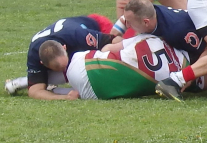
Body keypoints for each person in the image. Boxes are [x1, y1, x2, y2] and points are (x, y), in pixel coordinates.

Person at [41, 34, 192, 100]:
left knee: (83, 67)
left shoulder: (149, 38)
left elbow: (108, 48)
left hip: (83, 65)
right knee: (81, 91)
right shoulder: (184, 68)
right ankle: (57, 90)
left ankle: (49, 87)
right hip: (97, 93)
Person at [3, 15, 115, 99]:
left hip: (99, 26)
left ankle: (25, 81)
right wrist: (65, 97)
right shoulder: (35, 53)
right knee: (74, 74)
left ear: (64, 48)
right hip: (71, 44)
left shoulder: (77, 35)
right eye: (59, 69)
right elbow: (35, 92)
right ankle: (31, 81)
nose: (64, 70)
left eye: (64, 66)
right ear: (42, 63)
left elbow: (114, 40)